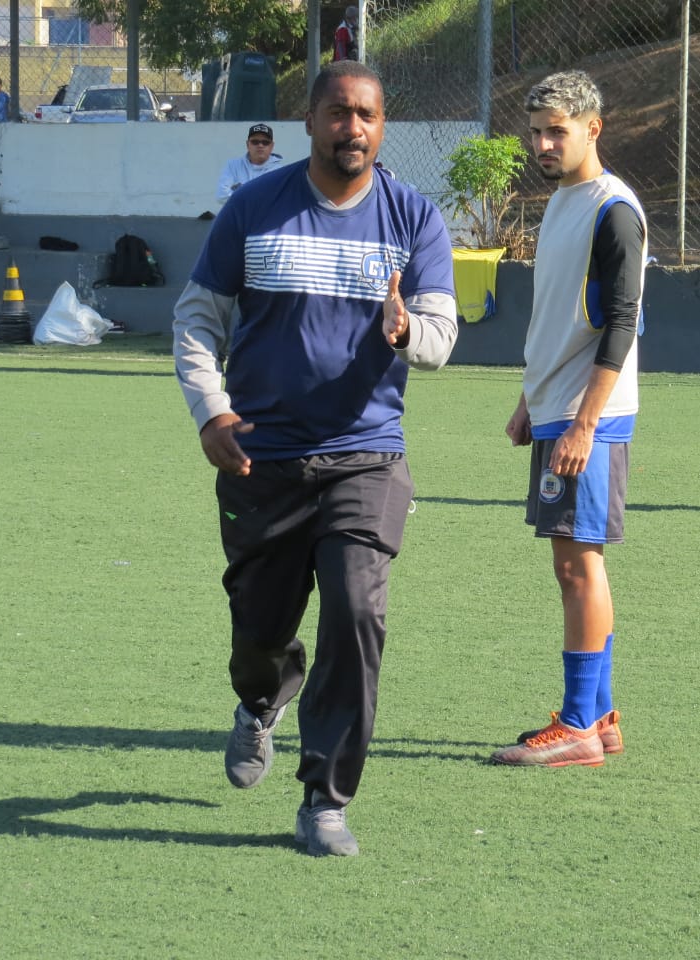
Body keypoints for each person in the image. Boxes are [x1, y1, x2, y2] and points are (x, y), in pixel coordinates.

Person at [173, 60, 458, 857]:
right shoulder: (253, 208)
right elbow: (197, 318)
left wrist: (408, 334)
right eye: (339, 113)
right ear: (310, 119)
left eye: (367, 114)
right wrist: (211, 411)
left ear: (382, 124)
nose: (353, 129)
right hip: (261, 460)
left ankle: (325, 800)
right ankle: (262, 699)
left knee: (358, 610)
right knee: (259, 635)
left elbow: (442, 329)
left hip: (365, 455)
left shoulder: (412, 217)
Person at [489, 70, 647, 768]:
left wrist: (582, 421)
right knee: (573, 563)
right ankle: (601, 716)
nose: (544, 143)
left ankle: (580, 724)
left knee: (578, 564)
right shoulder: (560, 203)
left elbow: (622, 323)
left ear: (594, 128)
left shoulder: (614, 209)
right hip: (556, 407)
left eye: (558, 130)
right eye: (537, 132)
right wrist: (533, 398)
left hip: (592, 415)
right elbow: (559, 313)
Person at [215, 123, 286, 205]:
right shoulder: (233, 165)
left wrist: (240, 190)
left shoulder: (281, 172)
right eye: (255, 142)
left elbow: (280, 201)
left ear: (271, 146)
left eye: (265, 142)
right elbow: (221, 196)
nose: (260, 145)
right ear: (247, 144)